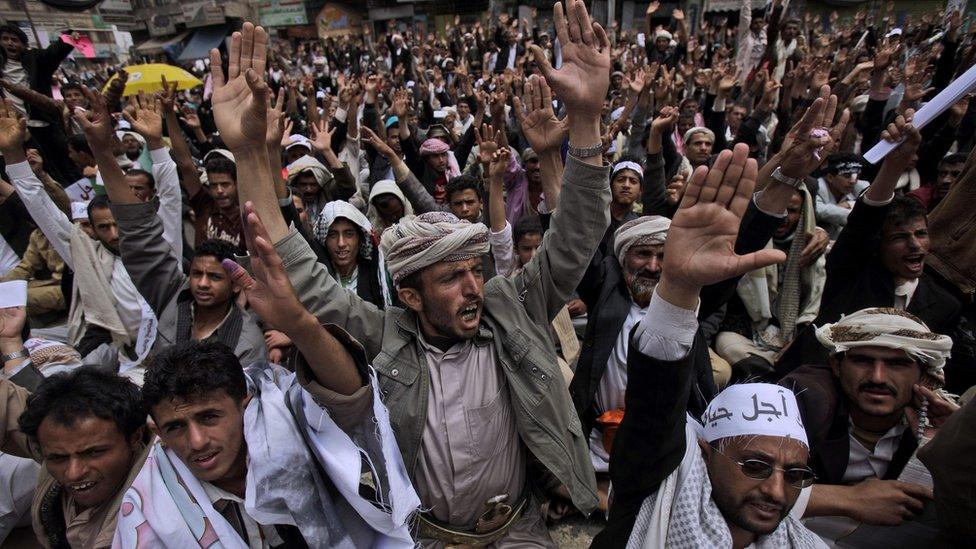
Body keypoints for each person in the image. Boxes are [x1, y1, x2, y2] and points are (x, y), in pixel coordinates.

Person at [215, 3, 610, 544]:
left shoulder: (510, 308)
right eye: (452, 278)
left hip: (523, 530)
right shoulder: (383, 339)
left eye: (475, 270)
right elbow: (299, 274)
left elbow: (577, 236)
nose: (476, 286)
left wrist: (586, 121)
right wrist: (246, 153)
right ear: (410, 295)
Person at [593, 142, 824, 548]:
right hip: (617, 442)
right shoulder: (604, 295)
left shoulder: (694, 304)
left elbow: (729, 248)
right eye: (755, 466)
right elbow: (654, 407)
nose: (652, 266)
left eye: (795, 475)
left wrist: (781, 183)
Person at [116, 335, 416, 547]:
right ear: (157, 431)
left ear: (244, 406)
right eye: (176, 427)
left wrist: (299, 324)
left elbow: (351, 397)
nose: (196, 442)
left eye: (209, 417)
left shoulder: (297, 433)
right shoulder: (151, 506)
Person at [1, 99, 157, 378]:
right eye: (103, 227)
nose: (114, 234)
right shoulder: (90, 256)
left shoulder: (157, 247)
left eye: (117, 224)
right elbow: (44, 211)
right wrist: (15, 157)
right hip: (125, 358)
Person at [780, 307, 954, 529]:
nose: (877, 377)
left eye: (897, 364)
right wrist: (848, 499)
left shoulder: (935, 420)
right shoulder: (805, 398)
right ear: (836, 365)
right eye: (862, 361)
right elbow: (742, 488)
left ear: (924, 376)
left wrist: (949, 446)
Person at [1, 302, 150, 548]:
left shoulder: (152, 519)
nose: (73, 473)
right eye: (57, 458)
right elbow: (12, 408)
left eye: (93, 453)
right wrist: (10, 345)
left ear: (135, 438)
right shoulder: (56, 444)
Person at [312, 200, 394, 309]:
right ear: (324, 240)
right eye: (332, 235)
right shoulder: (316, 276)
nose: (341, 243)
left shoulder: (378, 276)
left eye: (349, 234)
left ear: (360, 239)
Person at [814, 153, 868, 240]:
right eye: (846, 176)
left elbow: (870, 210)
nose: (852, 181)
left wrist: (850, 204)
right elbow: (820, 211)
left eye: (857, 176)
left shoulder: (861, 186)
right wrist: (858, 212)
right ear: (830, 177)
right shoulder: (816, 187)